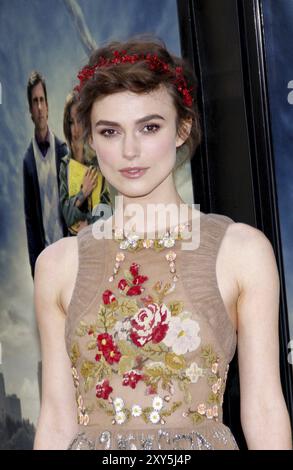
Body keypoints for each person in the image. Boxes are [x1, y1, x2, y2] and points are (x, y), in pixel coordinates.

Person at [33, 38, 292, 450]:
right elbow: (56, 418)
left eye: (149, 127)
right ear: (91, 140)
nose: (130, 150)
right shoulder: (57, 265)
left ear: (182, 128)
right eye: (110, 131)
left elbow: (263, 407)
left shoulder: (242, 251)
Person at [23, 71, 68, 278]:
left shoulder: (62, 151)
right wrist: (35, 269)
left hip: (67, 252)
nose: (39, 107)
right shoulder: (29, 162)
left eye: (42, 100)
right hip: (46, 260)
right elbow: (30, 220)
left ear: (48, 106)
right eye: (35, 102)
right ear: (31, 110)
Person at [59, 91, 112, 235]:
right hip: (72, 242)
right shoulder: (65, 165)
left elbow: (108, 212)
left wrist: (88, 223)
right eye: (71, 122)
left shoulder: (99, 162)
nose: (76, 129)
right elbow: (67, 216)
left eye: (80, 121)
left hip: (99, 240)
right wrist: (84, 192)